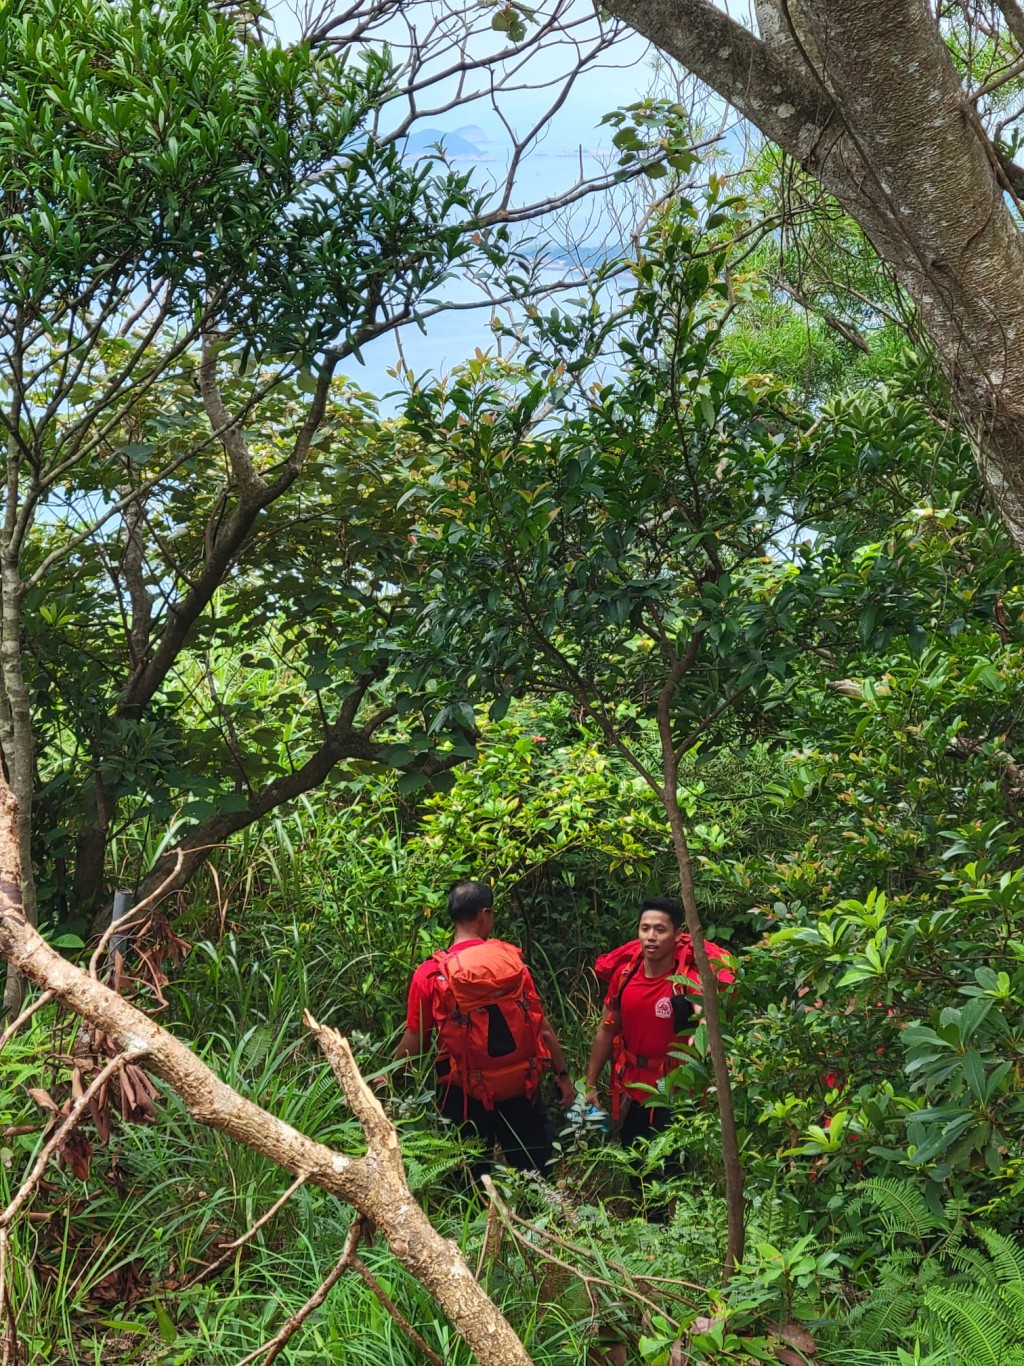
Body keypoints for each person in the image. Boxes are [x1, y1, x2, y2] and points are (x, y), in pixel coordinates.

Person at [395, 880, 575, 1176]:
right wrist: (563, 1075)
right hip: (521, 1086)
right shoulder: (511, 963)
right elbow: (542, 1027)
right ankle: (540, 1220)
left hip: (463, 1093)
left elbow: (416, 1039)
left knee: (468, 1181)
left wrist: (387, 1078)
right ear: (484, 915)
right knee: (537, 1178)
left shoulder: (430, 974)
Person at [584, 897, 701, 1155]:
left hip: (676, 1092)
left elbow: (703, 1013)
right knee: (634, 1161)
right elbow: (606, 1029)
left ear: (677, 934)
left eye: (660, 930)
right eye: (645, 928)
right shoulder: (624, 977)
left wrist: (702, 1022)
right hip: (632, 1089)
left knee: (672, 1170)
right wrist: (590, 1084)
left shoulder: (686, 981)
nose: (651, 936)